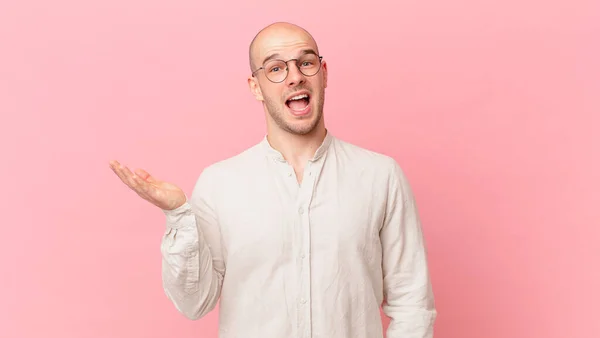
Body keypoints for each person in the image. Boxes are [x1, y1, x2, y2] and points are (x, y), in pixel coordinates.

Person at [109, 22, 437, 338]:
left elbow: (412, 303)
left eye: (306, 63)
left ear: (323, 75)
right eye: (276, 68)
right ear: (256, 87)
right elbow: (195, 303)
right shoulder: (220, 183)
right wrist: (179, 214)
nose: (295, 76)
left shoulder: (380, 176)